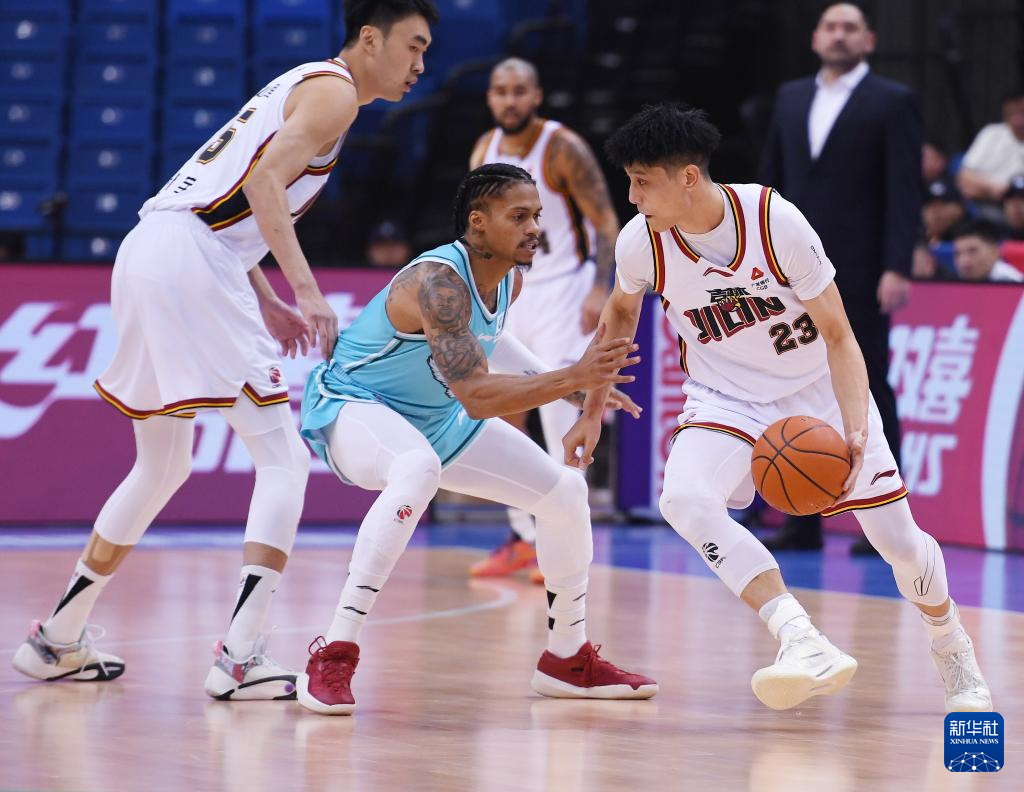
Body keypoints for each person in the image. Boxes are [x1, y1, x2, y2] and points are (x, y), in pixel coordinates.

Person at [10, 0, 440, 699]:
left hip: (151, 249)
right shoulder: (334, 94)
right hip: (193, 259)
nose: (421, 63)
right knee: (283, 459)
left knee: (162, 465)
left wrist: (264, 297)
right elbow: (263, 185)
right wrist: (306, 292)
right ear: (370, 38)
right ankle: (240, 658)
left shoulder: (302, 83)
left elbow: (227, 202)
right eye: (413, 45)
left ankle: (57, 636)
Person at [567, 102, 991, 713]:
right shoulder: (643, 242)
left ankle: (951, 645)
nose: (632, 198)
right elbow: (619, 313)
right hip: (726, 398)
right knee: (682, 500)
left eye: (641, 182)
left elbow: (840, 334)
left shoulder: (773, 222)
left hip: (818, 395)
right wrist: (591, 407)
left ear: (688, 177)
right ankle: (801, 638)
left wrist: (853, 430)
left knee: (898, 543)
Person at [296, 164, 657, 715]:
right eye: (519, 216)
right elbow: (479, 396)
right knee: (417, 468)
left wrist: (574, 391)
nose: (534, 228)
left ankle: (567, 658)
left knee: (564, 493)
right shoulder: (437, 282)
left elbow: (492, 340)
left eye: (536, 215)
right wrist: (572, 377)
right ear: (478, 222)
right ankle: (335, 651)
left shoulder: (509, 277)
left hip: (436, 421)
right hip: (355, 408)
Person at [758, 2, 921, 554]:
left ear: (868, 40)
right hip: (789, 270)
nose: (839, 35)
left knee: (869, 386)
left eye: (850, 28)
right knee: (795, 382)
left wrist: (897, 265)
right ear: (815, 38)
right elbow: (770, 185)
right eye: (831, 27)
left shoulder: (892, 100)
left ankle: (886, 519)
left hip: (861, 269)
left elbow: (904, 190)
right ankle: (802, 519)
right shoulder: (790, 97)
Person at [466, 58, 621, 582]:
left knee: (559, 411)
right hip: (510, 292)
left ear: (536, 96)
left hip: (563, 291)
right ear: (490, 97)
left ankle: (568, 536)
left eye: (519, 91)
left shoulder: (561, 147)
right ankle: (524, 537)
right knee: (502, 411)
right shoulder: (483, 150)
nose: (510, 100)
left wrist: (601, 286)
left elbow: (606, 222)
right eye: (501, 91)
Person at [957, 90, 1024, 211]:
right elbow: (964, 176)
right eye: (1010, 114)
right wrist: (994, 189)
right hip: (987, 206)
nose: (1017, 120)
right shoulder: (992, 133)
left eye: (1021, 113)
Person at [952, 219, 1024, 282]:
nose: (964, 262)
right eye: (957, 254)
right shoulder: (951, 281)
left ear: (995, 252)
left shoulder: (1013, 284)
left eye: (972, 251)